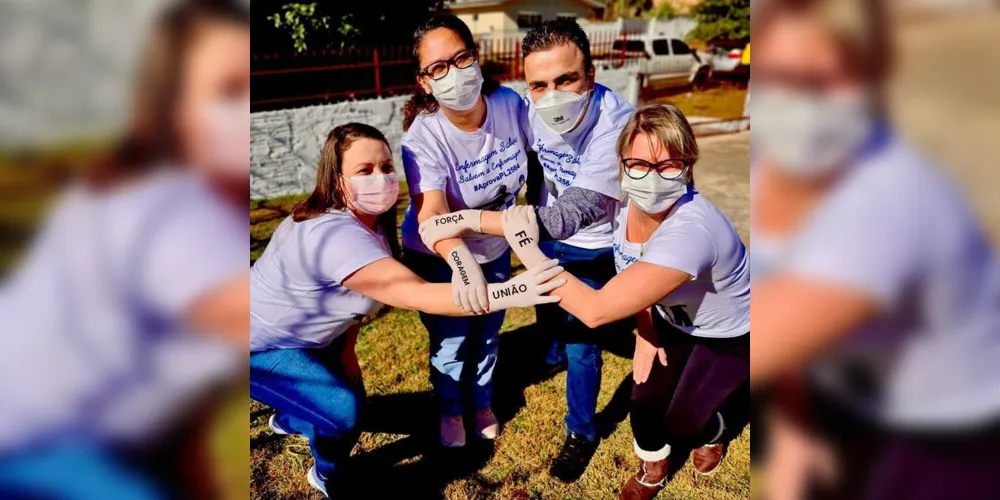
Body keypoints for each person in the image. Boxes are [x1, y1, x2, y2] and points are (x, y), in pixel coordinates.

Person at [424, 104, 751, 498]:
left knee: (684, 421)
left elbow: (595, 311)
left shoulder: (693, 232)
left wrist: (526, 254)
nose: (651, 176)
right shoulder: (624, 199)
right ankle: (654, 466)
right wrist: (467, 220)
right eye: (638, 164)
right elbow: (549, 221)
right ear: (622, 166)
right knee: (644, 403)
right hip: (667, 315)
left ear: (688, 163)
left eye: (668, 165)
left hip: (729, 334)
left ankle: (712, 429)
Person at [749, 1, 1000, 499]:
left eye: (824, 79)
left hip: (950, 441)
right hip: (852, 397)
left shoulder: (891, 198)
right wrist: (793, 421)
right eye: (777, 75)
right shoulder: (773, 172)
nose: (796, 100)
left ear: (872, 74)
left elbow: (762, 337)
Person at [0, 1, 251, 499]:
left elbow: (190, 394)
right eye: (229, 92)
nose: (247, 110)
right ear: (172, 111)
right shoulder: (168, 208)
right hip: (32, 447)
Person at [249, 123, 563, 498]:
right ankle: (329, 474)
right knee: (344, 411)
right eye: (364, 170)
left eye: (386, 167)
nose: (381, 178)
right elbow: (418, 294)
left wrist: (347, 350)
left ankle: (289, 415)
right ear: (336, 179)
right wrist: (515, 291)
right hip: (255, 343)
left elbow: (351, 300)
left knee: (344, 400)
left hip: (308, 336)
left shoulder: (369, 222)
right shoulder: (332, 234)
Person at [417, 18, 635, 482]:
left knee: (583, 342)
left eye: (566, 79)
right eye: (540, 84)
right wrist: (513, 220)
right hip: (528, 239)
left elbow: (575, 211)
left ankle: (581, 432)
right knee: (533, 323)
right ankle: (536, 361)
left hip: (593, 243)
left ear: (591, 76)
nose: (552, 94)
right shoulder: (524, 106)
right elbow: (535, 161)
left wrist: (480, 220)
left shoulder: (616, 125)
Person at [398, 14, 532, 448]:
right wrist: (460, 263)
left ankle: (481, 402)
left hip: (494, 246)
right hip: (436, 253)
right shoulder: (423, 139)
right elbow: (432, 215)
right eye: (438, 68)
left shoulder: (510, 105)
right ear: (424, 82)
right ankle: (452, 408)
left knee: (489, 330)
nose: (454, 73)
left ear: (477, 58)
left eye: (461, 58)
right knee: (452, 338)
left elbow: (542, 160)